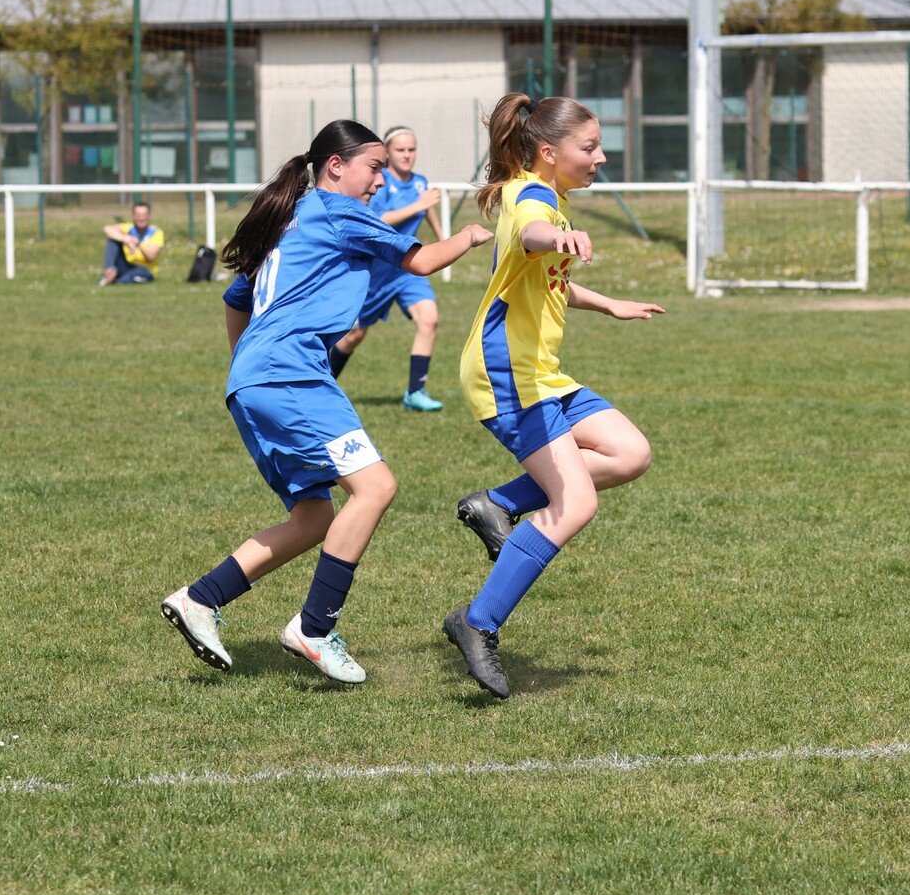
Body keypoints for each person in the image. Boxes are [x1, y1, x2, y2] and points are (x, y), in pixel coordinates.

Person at [159, 120, 492, 684]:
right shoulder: (338, 210)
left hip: (254, 383)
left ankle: (200, 599)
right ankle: (313, 630)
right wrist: (471, 236)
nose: (380, 181)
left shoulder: (291, 217)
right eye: (374, 168)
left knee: (314, 517)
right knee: (376, 487)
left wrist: (247, 365)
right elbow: (423, 260)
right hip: (290, 376)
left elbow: (236, 300)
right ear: (336, 166)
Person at [442, 93, 664, 699]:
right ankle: (477, 622)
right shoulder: (531, 199)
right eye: (589, 147)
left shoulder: (552, 199)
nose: (601, 157)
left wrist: (609, 303)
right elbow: (533, 234)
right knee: (575, 504)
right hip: (506, 374)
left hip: (541, 373)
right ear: (548, 152)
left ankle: (498, 502)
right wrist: (557, 238)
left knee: (629, 453)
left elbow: (547, 273)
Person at [326, 126, 449, 411]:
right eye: (400, 150)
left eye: (411, 149)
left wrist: (442, 236)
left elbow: (426, 208)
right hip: (375, 272)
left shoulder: (419, 183)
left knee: (429, 319)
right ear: (388, 154)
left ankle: (415, 392)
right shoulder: (379, 182)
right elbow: (376, 220)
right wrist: (418, 205)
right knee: (354, 335)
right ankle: (323, 385)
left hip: (406, 269)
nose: (407, 155)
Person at [99, 202, 163, 285]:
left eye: (144, 215)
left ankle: (114, 281)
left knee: (134, 276)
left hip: (144, 269)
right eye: (138, 215)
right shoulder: (129, 228)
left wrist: (138, 243)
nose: (141, 218)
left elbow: (151, 256)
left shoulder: (155, 232)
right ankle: (109, 271)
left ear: (149, 216)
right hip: (127, 265)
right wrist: (126, 239)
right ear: (133, 216)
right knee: (112, 240)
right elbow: (107, 229)